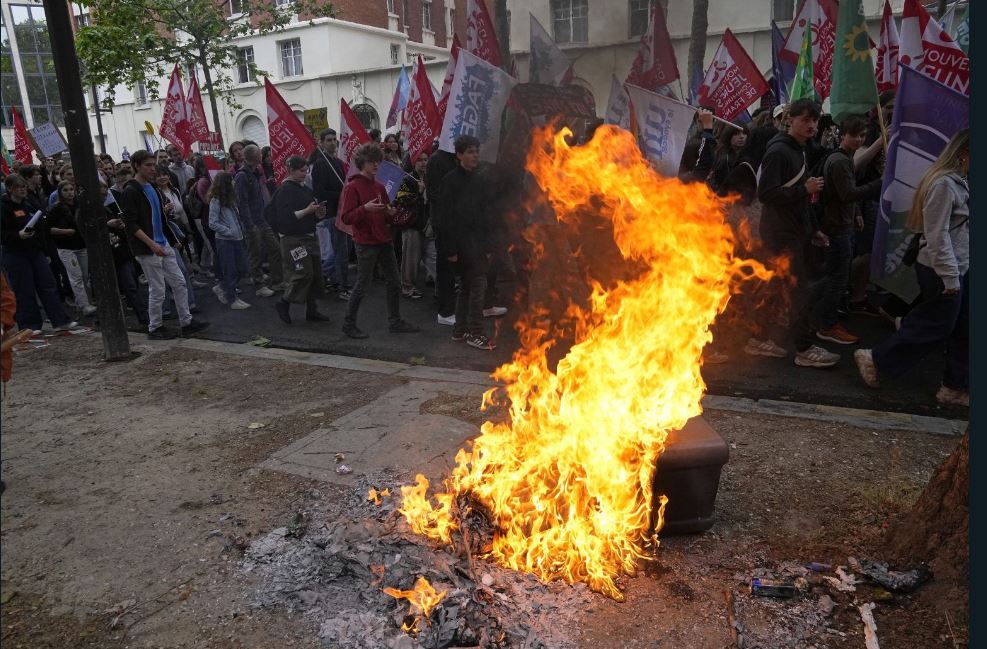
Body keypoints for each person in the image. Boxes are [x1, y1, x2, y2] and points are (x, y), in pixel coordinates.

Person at [855, 129, 969, 407]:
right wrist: (950, 277)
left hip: (959, 266)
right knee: (937, 325)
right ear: (965, 157)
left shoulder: (960, 182)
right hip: (942, 269)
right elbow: (937, 234)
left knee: (965, 328)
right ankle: (876, 358)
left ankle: (954, 386)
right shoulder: (943, 185)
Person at [750, 98, 839, 368]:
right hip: (779, 234)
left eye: (814, 120)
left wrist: (813, 230)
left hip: (793, 231)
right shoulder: (779, 151)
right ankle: (803, 348)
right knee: (799, 291)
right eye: (804, 119)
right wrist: (805, 189)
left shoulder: (797, 148)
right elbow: (766, 194)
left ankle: (758, 339)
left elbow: (801, 197)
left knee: (777, 288)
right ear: (790, 119)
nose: (811, 125)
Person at [119, 150, 209, 339]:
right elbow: (131, 224)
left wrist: (165, 213)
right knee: (158, 288)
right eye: (148, 165)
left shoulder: (152, 188)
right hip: (148, 247)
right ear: (137, 166)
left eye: (153, 165)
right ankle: (155, 327)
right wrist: (151, 244)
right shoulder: (131, 190)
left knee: (179, 282)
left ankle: (186, 321)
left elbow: (156, 216)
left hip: (163, 242)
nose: (152, 169)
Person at [814, 115, 883, 345]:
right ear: (843, 135)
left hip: (841, 224)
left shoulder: (845, 158)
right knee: (837, 279)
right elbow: (848, 194)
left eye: (862, 136)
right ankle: (827, 325)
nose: (858, 140)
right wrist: (879, 184)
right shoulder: (840, 160)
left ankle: (819, 316)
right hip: (836, 227)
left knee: (835, 276)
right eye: (854, 135)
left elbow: (845, 195)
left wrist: (857, 214)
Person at [338, 143, 418, 338]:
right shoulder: (352, 187)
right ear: (361, 163)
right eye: (371, 162)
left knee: (394, 282)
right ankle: (348, 324)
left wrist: (390, 213)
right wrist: (365, 209)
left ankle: (395, 321)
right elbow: (346, 218)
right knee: (363, 285)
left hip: (383, 240)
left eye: (377, 162)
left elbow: (385, 214)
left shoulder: (379, 186)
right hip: (365, 243)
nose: (375, 165)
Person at [0, 174, 77, 333]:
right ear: (9, 189)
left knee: (48, 285)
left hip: (35, 251)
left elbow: (41, 228)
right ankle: (29, 325)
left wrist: (44, 250)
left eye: (23, 187)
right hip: (15, 253)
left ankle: (60, 320)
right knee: (24, 289)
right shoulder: (3, 207)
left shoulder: (28, 205)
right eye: (18, 187)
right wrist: (17, 235)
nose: (22, 190)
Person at [441, 135, 496, 351]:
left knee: (466, 287)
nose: (475, 156)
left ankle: (460, 329)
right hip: (462, 244)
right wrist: (451, 250)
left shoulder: (479, 180)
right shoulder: (450, 181)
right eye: (470, 152)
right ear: (459, 155)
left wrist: (489, 245)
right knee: (477, 286)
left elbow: (485, 214)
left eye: (476, 151)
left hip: (478, 243)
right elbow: (445, 218)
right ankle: (476, 332)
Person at [271, 156, 331, 324]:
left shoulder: (304, 189)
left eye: (306, 171)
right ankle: (284, 302)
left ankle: (312, 310)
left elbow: (310, 215)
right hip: (294, 240)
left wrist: (318, 213)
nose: (305, 174)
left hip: (308, 236)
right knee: (303, 273)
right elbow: (285, 219)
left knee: (315, 274)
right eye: (301, 171)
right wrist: (306, 211)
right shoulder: (285, 190)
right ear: (291, 170)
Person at [236, 145, 284, 297]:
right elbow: (242, 202)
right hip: (252, 223)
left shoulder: (255, 173)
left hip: (261, 219)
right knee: (255, 255)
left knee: (275, 248)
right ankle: (259, 285)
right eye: (260, 155)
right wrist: (249, 225)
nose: (262, 157)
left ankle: (277, 281)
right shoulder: (242, 176)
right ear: (256, 157)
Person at [47, 180, 97, 316]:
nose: (69, 193)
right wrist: (65, 231)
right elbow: (48, 229)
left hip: (81, 245)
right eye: (66, 190)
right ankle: (84, 305)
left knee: (85, 275)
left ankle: (85, 301)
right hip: (66, 247)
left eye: (71, 189)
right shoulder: (56, 208)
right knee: (76, 276)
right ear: (60, 192)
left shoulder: (78, 205)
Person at [310, 128, 349, 296]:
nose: (333, 143)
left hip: (341, 212)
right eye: (329, 140)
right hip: (331, 214)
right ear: (321, 143)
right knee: (340, 252)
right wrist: (342, 193)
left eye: (334, 139)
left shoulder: (338, 162)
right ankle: (341, 287)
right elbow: (319, 192)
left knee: (339, 252)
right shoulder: (320, 163)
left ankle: (330, 280)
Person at [207, 171, 251, 310]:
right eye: (231, 180)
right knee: (230, 270)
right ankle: (232, 299)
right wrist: (229, 231)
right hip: (225, 240)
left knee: (243, 268)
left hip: (238, 238)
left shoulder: (231, 199)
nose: (233, 182)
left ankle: (222, 287)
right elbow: (212, 223)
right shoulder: (216, 200)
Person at [424, 147, 459, 325]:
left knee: (456, 268)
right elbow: (433, 194)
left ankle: (452, 307)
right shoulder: (437, 160)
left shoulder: (453, 158)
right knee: (445, 267)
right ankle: (445, 312)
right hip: (444, 223)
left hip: (456, 223)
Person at [396, 151, 429, 299]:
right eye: (420, 160)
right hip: (412, 224)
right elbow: (402, 200)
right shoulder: (408, 179)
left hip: (426, 223)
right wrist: (420, 192)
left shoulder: (429, 177)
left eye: (425, 159)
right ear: (414, 162)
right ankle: (407, 287)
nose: (423, 163)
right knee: (411, 258)